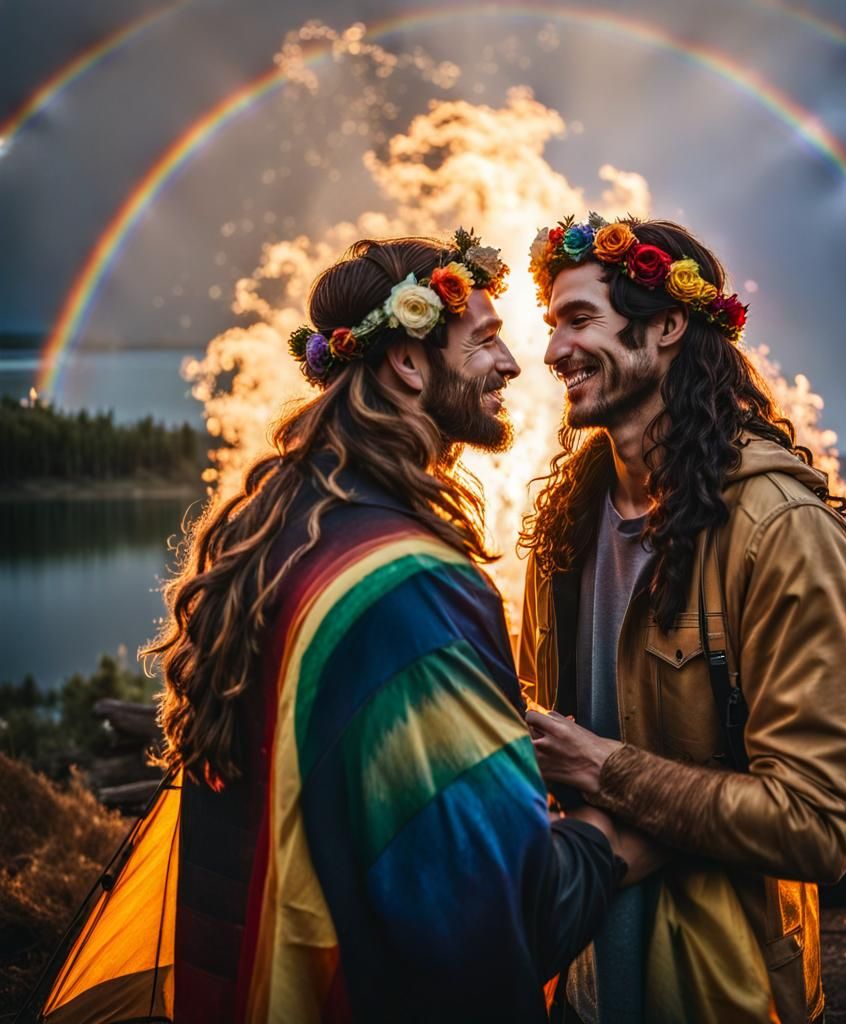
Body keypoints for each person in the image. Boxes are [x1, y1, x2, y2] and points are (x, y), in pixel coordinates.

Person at [144, 232, 652, 1023]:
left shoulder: (281, 535)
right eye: (485, 340)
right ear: (409, 363)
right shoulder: (409, 590)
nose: (515, 365)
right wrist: (603, 833)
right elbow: (493, 923)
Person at [519, 214, 846, 1023]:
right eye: (552, 326)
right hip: (577, 983)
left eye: (580, 320)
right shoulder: (563, 527)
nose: (552, 352)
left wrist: (605, 770)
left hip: (726, 989)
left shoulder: (779, 530)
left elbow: (827, 824)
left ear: (669, 324)